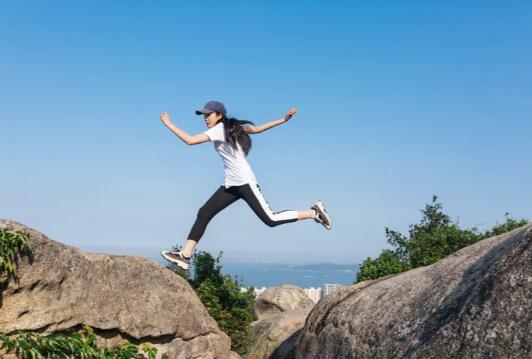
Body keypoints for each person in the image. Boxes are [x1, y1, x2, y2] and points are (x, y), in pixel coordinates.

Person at [160, 100, 332, 270]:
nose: (205, 118)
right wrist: (282, 120)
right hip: (231, 185)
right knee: (204, 212)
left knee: (270, 219)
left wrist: (169, 124)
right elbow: (256, 129)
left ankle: (313, 212)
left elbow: (190, 141)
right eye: (204, 115)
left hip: (244, 182)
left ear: (219, 115)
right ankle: (185, 256)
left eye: (208, 114)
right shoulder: (231, 128)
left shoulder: (219, 129)